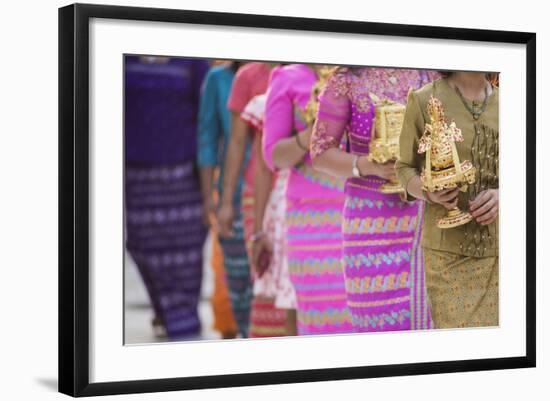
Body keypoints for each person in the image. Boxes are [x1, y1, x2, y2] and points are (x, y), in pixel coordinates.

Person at [310, 67, 438, 332]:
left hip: (425, 219)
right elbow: (320, 153)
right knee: (377, 330)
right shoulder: (346, 81)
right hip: (370, 228)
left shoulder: (431, 75)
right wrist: (369, 166)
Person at [395, 71, 499, 329]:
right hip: (448, 255)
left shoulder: (518, 101)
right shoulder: (423, 100)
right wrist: (428, 190)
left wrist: (504, 195)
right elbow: (404, 168)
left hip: (506, 251)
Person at [263, 64, 353, 335]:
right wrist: (312, 134)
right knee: (318, 320)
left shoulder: (362, 73)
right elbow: (273, 156)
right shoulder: (288, 79)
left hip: (360, 211)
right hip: (309, 219)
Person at [124, 55, 209, 339]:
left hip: (183, 175)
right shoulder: (123, 58)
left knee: (186, 253)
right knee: (141, 244)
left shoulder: (192, 61)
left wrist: (209, 181)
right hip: (135, 174)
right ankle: (162, 311)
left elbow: (206, 118)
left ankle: (183, 322)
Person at [217, 62, 277, 336]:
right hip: (256, 190)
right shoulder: (248, 77)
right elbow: (237, 142)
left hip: (298, 190)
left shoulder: (313, 71)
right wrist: (226, 200)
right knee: (264, 269)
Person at [197, 61, 246, 338]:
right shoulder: (219, 79)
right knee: (235, 283)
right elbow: (207, 138)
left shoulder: (286, 73)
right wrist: (209, 199)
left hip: (278, 196)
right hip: (233, 193)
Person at [240, 94, 293, 337]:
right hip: (286, 210)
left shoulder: (342, 88)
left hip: (334, 206)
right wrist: (259, 231)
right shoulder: (276, 96)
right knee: (291, 302)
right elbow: (263, 167)